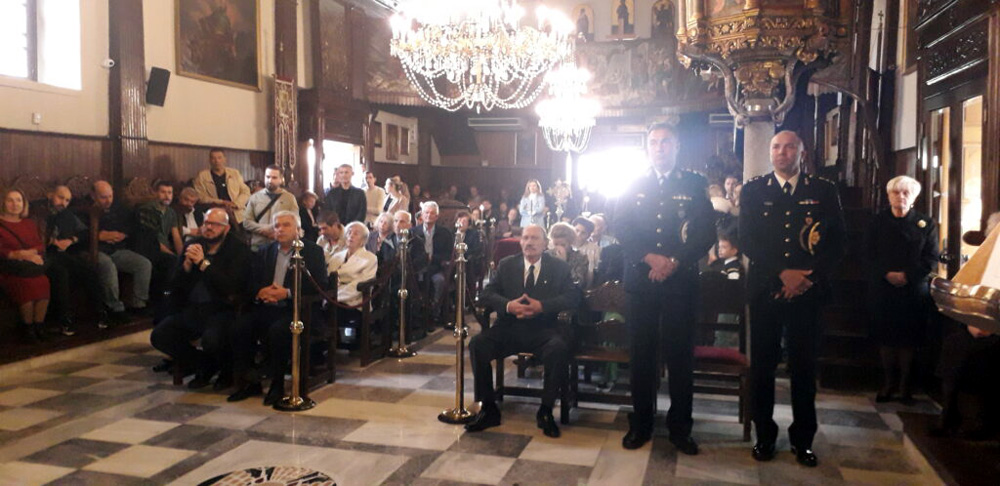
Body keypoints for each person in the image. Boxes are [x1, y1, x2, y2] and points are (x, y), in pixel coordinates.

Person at [739, 130, 846, 467]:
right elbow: (747, 239)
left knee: (803, 368)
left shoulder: (823, 190)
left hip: (809, 292)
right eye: (776, 147)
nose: (781, 152)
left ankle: (803, 440)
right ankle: (764, 437)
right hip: (766, 290)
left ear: (802, 153)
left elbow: (838, 242)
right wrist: (782, 273)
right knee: (763, 367)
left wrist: (807, 277)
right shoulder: (754, 190)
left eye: (789, 147)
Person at [615, 122, 716, 454]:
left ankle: (680, 428)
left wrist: (673, 261)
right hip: (641, 282)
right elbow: (621, 227)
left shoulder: (694, 183)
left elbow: (705, 233)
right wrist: (650, 258)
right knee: (641, 356)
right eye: (654, 142)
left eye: (666, 142)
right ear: (648, 147)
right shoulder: (632, 182)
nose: (659, 147)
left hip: (680, 283)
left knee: (680, 358)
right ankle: (641, 424)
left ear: (677, 147)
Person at [466, 225, 581, 438]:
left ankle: (545, 410)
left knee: (558, 349)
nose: (529, 242)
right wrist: (508, 305)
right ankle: (488, 408)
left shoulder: (559, 267)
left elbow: (573, 297)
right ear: (520, 242)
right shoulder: (507, 264)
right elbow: (487, 294)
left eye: (535, 238)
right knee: (477, 345)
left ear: (545, 243)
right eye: (525, 238)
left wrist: (542, 306)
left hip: (544, 329)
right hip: (509, 327)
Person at [228, 211, 328, 405]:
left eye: (286, 225)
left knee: (278, 332)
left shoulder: (312, 251)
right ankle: (249, 382)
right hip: (267, 307)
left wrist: (288, 293)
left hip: (297, 310)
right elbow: (250, 280)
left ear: (298, 229)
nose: (280, 229)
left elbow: (319, 284)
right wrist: (260, 291)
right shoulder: (265, 251)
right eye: (276, 226)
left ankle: (277, 384)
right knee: (239, 327)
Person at [151, 208, 250, 390]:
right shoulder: (193, 244)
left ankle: (225, 370)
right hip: (192, 308)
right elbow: (174, 285)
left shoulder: (238, 249)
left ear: (226, 228)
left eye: (215, 224)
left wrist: (204, 264)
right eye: (206, 223)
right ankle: (204, 365)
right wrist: (186, 266)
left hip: (222, 308)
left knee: (212, 340)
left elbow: (231, 286)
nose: (209, 228)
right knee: (160, 335)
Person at [865, 176, 937, 405]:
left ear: (914, 197)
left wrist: (907, 276)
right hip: (883, 287)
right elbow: (867, 253)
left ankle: (906, 387)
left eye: (906, 193)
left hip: (912, 290)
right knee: (886, 337)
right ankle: (888, 384)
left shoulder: (925, 223)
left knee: (909, 339)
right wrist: (886, 273)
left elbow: (931, 258)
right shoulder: (877, 221)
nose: (901, 197)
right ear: (889, 196)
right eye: (896, 192)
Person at [89, 180, 153, 319]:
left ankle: (139, 304)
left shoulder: (119, 207)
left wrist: (122, 234)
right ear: (93, 196)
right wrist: (99, 236)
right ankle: (115, 308)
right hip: (96, 251)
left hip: (116, 249)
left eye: (110, 196)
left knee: (144, 264)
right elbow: (81, 234)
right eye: (103, 197)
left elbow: (132, 225)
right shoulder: (86, 209)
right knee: (108, 266)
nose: (108, 201)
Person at [39, 185, 97, 335]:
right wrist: (53, 242)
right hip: (44, 255)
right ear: (50, 195)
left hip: (62, 254)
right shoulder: (40, 212)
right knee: (61, 273)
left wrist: (71, 240)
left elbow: (85, 232)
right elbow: (36, 235)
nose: (63, 203)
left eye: (67, 200)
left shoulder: (67, 214)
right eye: (60, 198)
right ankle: (64, 320)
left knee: (88, 268)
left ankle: (98, 314)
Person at [0, 188, 51, 343]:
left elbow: (39, 244)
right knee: (25, 284)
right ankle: (27, 328)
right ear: (3, 203)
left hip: (29, 266)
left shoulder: (29, 223)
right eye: (10, 200)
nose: (15, 204)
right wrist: (17, 254)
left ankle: (39, 325)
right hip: (9, 268)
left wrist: (30, 254)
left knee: (43, 281)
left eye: (19, 200)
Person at [136, 181, 183, 300]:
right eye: (163, 192)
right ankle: (164, 298)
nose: (167, 196)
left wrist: (182, 255)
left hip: (165, 249)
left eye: (170, 193)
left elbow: (176, 236)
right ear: (155, 193)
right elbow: (152, 240)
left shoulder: (171, 212)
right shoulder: (147, 210)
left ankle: (178, 298)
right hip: (151, 249)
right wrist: (173, 255)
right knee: (171, 261)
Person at [411, 201, 454, 324]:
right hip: (418, 268)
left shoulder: (445, 233)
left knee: (439, 281)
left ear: (437, 216)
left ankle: (434, 312)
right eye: (426, 212)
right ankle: (416, 313)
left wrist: (432, 258)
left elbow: (448, 254)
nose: (428, 215)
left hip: (437, 267)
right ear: (422, 215)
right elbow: (412, 252)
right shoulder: (413, 232)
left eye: (432, 213)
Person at [243, 165, 298, 251]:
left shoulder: (289, 198)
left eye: (274, 177)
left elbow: (296, 221)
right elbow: (246, 222)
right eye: (267, 177)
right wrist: (264, 229)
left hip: (280, 246)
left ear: (281, 179)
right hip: (258, 245)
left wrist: (279, 231)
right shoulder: (255, 197)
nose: (270, 180)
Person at [193, 148, 251, 223]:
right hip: (215, 212)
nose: (217, 161)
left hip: (237, 212)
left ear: (225, 159)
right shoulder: (202, 176)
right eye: (213, 158)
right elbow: (201, 197)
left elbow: (245, 191)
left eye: (219, 158)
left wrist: (235, 204)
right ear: (209, 160)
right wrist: (222, 202)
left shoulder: (234, 173)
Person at [328, 222, 379, 307]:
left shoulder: (370, 258)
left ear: (363, 240)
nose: (351, 236)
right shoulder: (336, 257)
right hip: (331, 298)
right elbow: (329, 278)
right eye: (349, 232)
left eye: (356, 234)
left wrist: (336, 297)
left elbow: (358, 286)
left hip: (354, 302)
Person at [547, 222, 589, 287]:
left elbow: (577, 283)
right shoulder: (547, 255)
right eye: (556, 244)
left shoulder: (580, 258)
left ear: (570, 242)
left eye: (563, 245)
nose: (559, 248)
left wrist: (563, 264)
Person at [572, 217, 600, 286]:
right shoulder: (565, 244)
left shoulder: (595, 249)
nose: (578, 234)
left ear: (588, 235)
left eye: (583, 233)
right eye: (577, 230)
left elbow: (596, 270)